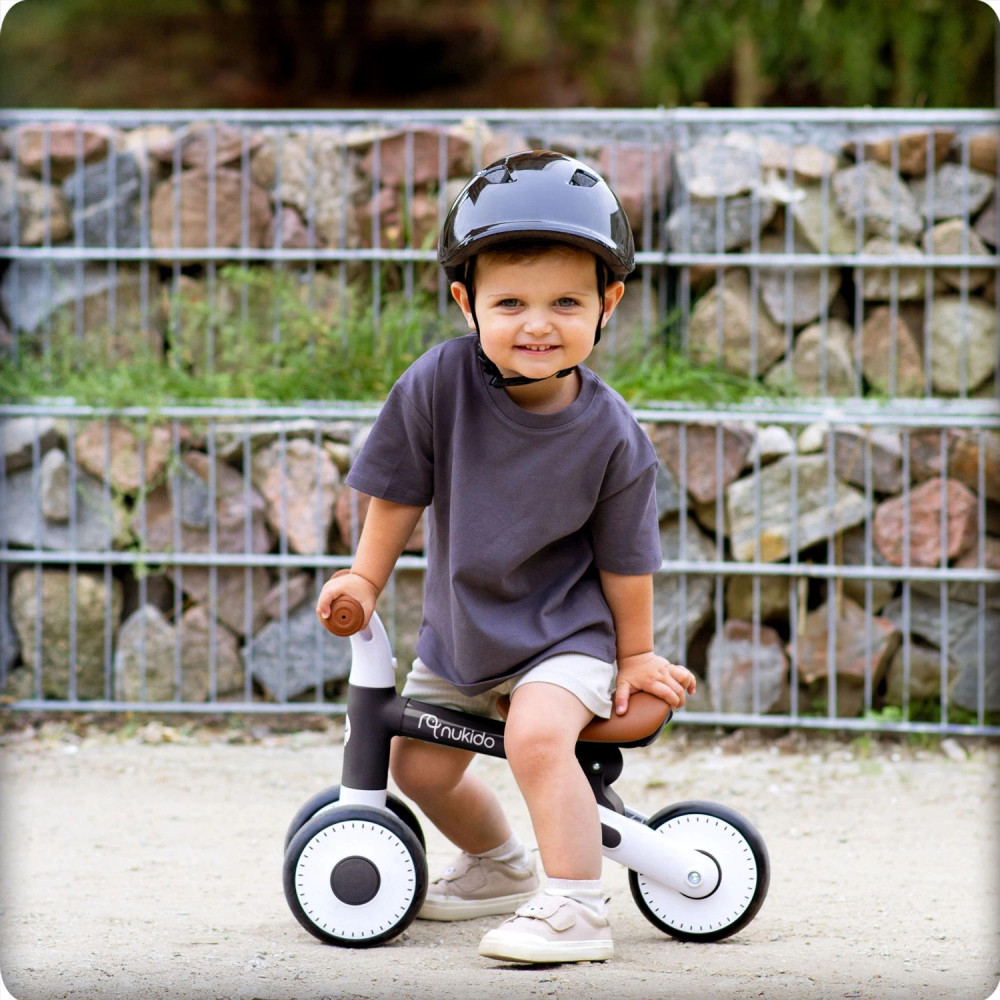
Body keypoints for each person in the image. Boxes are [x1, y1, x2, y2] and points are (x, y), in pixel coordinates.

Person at [316, 150, 696, 964]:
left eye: (566, 301)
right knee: (416, 768)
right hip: (465, 640)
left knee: (533, 737)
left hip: (567, 641)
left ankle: (577, 907)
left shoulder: (613, 435)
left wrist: (635, 653)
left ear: (608, 304)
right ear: (466, 302)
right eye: (510, 301)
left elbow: (628, 558)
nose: (537, 324)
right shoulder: (437, 385)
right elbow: (396, 494)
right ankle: (498, 866)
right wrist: (363, 578)